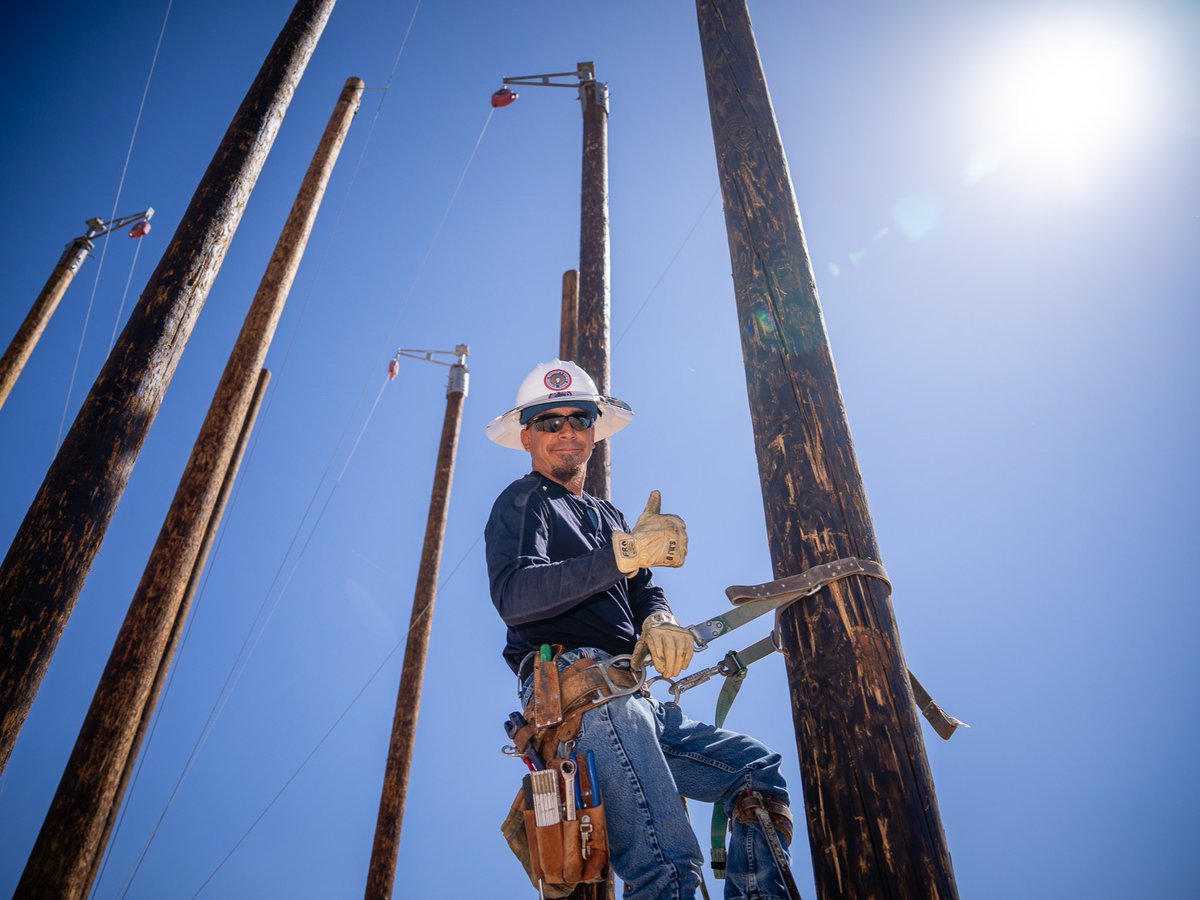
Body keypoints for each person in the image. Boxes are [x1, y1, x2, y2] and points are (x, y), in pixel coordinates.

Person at [485, 359, 797, 900]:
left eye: (578, 419)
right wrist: (621, 556)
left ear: (592, 432)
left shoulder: (607, 515)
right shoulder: (523, 501)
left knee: (755, 772)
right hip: (581, 695)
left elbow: (645, 588)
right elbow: (516, 597)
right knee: (667, 868)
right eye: (548, 420)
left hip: (633, 697)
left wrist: (660, 622)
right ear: (527, 435)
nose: (565, 431)